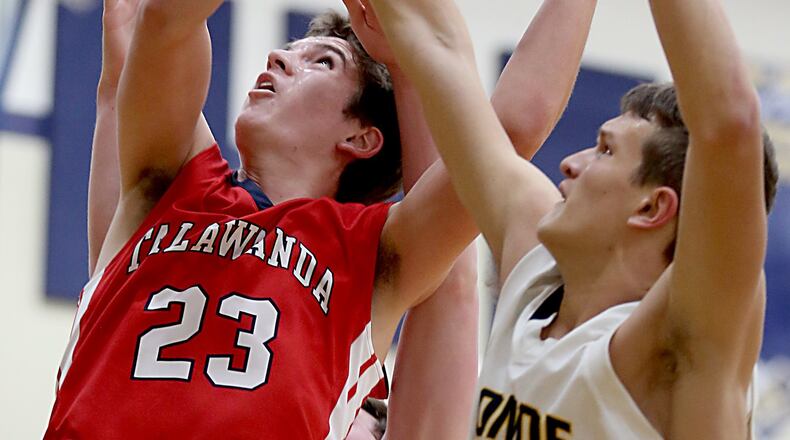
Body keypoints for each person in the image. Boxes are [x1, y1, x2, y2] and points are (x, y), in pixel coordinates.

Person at [45, 0, 586, 438]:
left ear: (361, 137)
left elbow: (512, 127)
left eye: (321, 61)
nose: (279, 59)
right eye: (289, 51)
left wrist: (408, 59)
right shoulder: (166, 181)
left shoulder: (374, 257)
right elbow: (167, 21)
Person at [367, 0, 778, 438]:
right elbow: (438, 45)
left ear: (652, 207)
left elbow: (730, 126)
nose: (570, 163)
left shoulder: (677, 342)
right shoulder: (536, 271)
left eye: (605, 150)